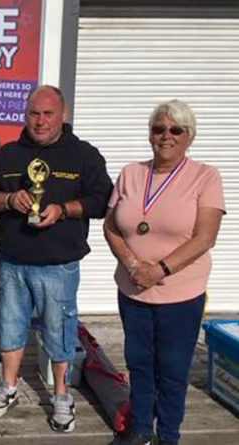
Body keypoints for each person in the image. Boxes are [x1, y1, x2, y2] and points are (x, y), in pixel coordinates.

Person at [0, 85, 113, 432]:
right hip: (13, 261)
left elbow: (102, 200)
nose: (40, 121)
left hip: (59, 265)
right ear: (25, 114)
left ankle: (61, 395)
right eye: (34, 113)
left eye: (48, 114)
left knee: (59, 331)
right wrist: (8, 200)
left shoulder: (84, 155)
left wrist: (64, 210)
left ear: (63, 115)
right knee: (9, 327)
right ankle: (8, 387)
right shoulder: (7, 155)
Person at [104, 100, 225, 445]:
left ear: (189, 136)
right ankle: (141, 429)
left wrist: (160, 270)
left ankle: (168, 435)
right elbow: (112, 227)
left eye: (176, 130)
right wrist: (131, 264)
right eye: (159, 129)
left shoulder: (205, 176)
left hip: (180, 294)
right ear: (150, 134)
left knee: (172, 368)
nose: (166, 136)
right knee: (138, 362)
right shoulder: (131, 173)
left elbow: (206, 236)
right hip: (132, 289)